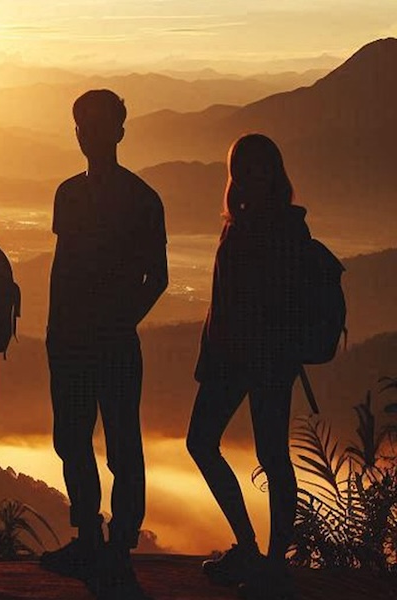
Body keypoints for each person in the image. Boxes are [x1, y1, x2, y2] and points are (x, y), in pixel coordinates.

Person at [40, 90, 167, 600]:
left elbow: (156, 278)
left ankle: (115, 546)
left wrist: (118, 322)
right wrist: (55, 331)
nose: (90, 132)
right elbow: (63, 266)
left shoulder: (141, 199)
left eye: (100, 123)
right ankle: (92, 538)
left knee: (119, 445)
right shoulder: (68, 194)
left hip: (109, 342)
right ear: (77, 133)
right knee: (73, 440)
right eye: (83, 125)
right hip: (71, 340)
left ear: (119, 130)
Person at [186, 134, 306, 600]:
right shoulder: (254, 224)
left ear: (273, 173)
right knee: (264, 455)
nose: (250, 177)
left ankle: (264, 558)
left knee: (259, 454)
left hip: (248, 359)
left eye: (258, 169)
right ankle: (263, 558)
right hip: (256, 360)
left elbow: (240, 302)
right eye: (243, 170)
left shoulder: (266, 227)